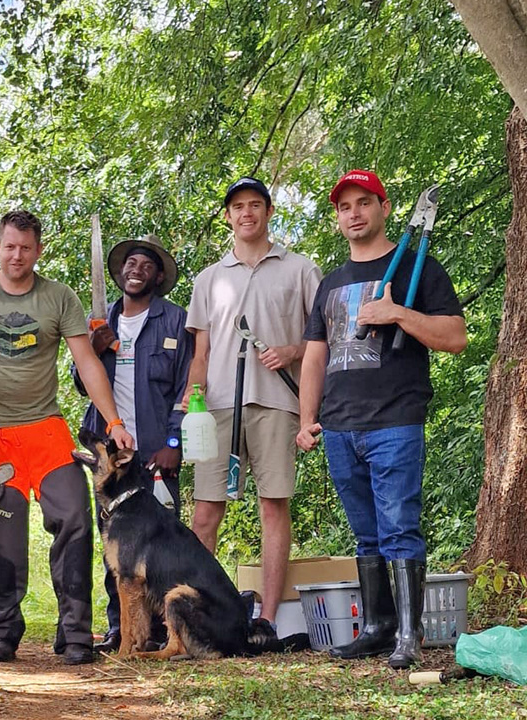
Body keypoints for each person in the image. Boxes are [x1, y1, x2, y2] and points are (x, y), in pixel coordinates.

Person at [0, 209, 135, 666]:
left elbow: (87, 363)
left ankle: (75, 635)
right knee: (2, 534)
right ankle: (3, 631)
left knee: (75, 517)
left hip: (46, 429)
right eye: (9, 246)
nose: (17, 255)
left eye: (26, 248)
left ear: (38, 250)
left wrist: (114, 422)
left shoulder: (57, 297)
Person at [296, 170, 466, 669]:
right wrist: (308, 418)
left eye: (363, 202)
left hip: (395, 419)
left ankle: (409, 635)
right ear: (337, 217)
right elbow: (314, 355)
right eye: (345, 206)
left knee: (399, 529)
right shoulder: (330, 282)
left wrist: (398, 315)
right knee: (366, 534)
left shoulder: (417, 267)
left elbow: (455, 336)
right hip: (339, 426)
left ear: (384, 207)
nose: (354, 213)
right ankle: (377, 627)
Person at [183, 177, 322, 627]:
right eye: (238, 206)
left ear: (268, 212)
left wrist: (292, 351)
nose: (247, 213)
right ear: (228, 215)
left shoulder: (300, 269)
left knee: (272, 504)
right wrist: (194, 396)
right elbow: (200, 354)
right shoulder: (208, 279)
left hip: (278, 402)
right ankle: (202, 615)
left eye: (255, 205)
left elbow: (321, 339)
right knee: (205, 511)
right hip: (218, 407)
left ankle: (267, 617)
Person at [73, 234, 192, 654]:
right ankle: (119, 629)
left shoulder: (175, 320)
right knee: (114, 545)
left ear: (158, 275)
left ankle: (163, 629)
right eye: (130, 262)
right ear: (120, 272)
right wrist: (94, 348)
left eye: (146, 264)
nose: (135, 269)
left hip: (155, 451)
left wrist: (174, 439)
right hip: (111, 453)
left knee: (161, 541)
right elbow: (80, 383)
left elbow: (187, 387)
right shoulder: (100, 320)